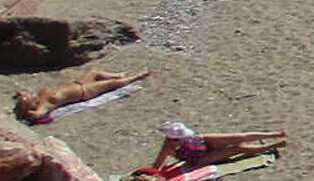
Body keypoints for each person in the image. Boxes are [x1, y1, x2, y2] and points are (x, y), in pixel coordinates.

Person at [15, 69, 149, 125]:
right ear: (31, 105)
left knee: (93, 72)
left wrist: (20, 96)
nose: (30, 94)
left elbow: (22, 94)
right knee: (113, 84)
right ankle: (137, 76)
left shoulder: (40, 95)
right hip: (83, 92)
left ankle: (118, 74)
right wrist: (30, 114)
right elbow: (37, 115)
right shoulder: (43, 105)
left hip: (77, 84)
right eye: (29, 98)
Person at [154, 122, 286, 169]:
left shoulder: (183, 139)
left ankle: (274, 134)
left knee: (239, 137)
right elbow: (158, 164)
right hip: (199, 158)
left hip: (203, 141)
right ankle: (271, 146)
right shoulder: (168, 148)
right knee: (237, 149)